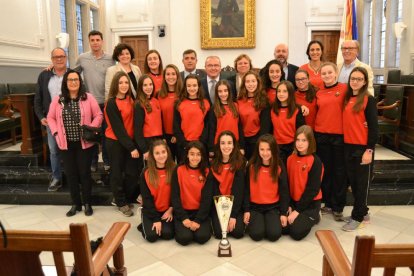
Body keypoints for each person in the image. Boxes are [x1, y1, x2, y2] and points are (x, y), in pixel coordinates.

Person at [47, 70, 103, 217]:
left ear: (80, 82)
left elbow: (99, 114)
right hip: (66, 144)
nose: (73, 82)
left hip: (84, 144)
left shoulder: (88, 98)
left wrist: (91, 126)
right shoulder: (57, 100)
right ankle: (75, 204)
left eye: (76, 80)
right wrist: (56, 133)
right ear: (66, 82)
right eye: (70, 80)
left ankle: (87, 203)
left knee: (84, 174)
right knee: (71, 175)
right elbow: (50, 118)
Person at [342, 67, 378, 231]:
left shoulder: (368, 100)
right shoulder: (347, 97)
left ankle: (357, 217)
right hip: (348, 146)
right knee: (354, 183)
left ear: (364, 82)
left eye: (358, 79)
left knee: (361, 184)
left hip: (363, 148)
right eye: (353, 78)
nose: (355, 81)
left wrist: (369, 150)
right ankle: (363, 212)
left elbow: (373, 127)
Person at [75, 30, 114, 172]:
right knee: (91, 134)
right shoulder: (82, 58)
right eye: (92, 40)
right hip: (90, 103)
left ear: (102, 41)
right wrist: (51, 69)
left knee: (105, 133)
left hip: (107, 102)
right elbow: (73, 74)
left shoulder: (110, 59)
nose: (95, 42)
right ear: (89, 42)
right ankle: (92, 162)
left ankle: (107, 160)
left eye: (98, 40)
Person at [314, 62, 348, 221]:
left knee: (339, 172)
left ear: (335, 73)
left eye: (329, 72)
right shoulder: (318, 92)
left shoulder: (344, 89)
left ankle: (338, 206)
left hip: (339, 136)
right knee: (325, 171)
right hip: (321, 135)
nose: (326, 76)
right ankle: (327, 203)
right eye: (324, 73)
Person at [105, 71, 140, 217]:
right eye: (121, 83)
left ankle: (124, 197)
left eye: (126, 82)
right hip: (115, 142)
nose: (124, 85)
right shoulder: (111, 103)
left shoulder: (130, 99)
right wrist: (131, 147)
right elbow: (118, 129)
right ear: (115, 84)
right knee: (117, 173)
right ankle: (120, 202)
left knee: (132, 173)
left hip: (129, 141)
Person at [243, 134, 289, 241]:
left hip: (272, 207)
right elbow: (246, 190)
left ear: (273, 149)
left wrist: (283, 213)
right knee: (256, 235)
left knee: (274, 235)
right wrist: (246, 210)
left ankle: (268, 222)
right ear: (257, 150)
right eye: (262, 149)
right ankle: (259, 224)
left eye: (268, 149)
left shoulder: (279, 165)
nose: (265, 153)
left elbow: (284, 191)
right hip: (255, 207)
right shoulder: (251, 166)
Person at [34, 47, 68, 192]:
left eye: (62, 56)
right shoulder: (44, 75)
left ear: (66, 57)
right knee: (54, 150)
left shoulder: (73, 74)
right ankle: (57, 178)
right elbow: (38, 98)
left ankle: (73, 176)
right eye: (56, 57)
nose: (59, 59)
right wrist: (41, 117)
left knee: (71, 149)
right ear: (52, 60)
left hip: (70, 118)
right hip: (51, 120)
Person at [284, 125, 323, 240]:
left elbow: (312, 190)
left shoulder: (315, 161)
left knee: (296, 233)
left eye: (304, 140)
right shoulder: (290, 159)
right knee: (283, 228)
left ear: (310, 142)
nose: (300, 143)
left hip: (310, 204)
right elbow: (287, 184)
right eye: (298, 140)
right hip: (294, 202)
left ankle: (316, 216)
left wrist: (297, 211)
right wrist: (290, 205)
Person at [171, 141, 212, 245]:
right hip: (183, 212)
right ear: (187, 155)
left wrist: (198, 220)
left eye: (198, 154)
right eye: (192, 154)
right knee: (184, 238)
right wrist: (184, 218)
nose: (195, 157)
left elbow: (207, 199)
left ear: (202, 156)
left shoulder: (207, 171)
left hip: (200, 213)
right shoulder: (178, 170)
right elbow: (174, 196)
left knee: (202, 237)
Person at [209, 131, 246, 239]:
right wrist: (222, 213)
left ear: (234, 145)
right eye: (223, 143)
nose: (226, 146)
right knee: (219, 234)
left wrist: (233, 216)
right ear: (219, 145)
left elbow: (239, 191)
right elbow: (213, 192)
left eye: (229, 143)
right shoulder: (213, 164)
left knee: (238, 233)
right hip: (219, 205)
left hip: (235, 204)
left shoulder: (240, 162)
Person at [139, 139, 176, 242]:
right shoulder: (146, 172)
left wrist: (170, 210)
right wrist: (155, 219)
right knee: (151, 237)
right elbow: (146, 198)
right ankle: (144, 222)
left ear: (167, 152)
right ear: (152, 155)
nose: (161, 155)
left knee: (168, 234)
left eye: (163, 152)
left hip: (167, 210)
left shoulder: (174, 169)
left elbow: (176, 194)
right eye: (157, 153)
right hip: (151, 210)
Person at [173, 74, 211, 162]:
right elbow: (176, 126)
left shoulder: (205, 103)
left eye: (194, 85)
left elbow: (207, 125)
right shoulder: (179, 103)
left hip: (201, 144)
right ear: (185, 87)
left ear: (199, 86)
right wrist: (184, 143)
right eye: (189, 86)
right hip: (184, 145)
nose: (192, 88)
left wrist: (201, 142)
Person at [237, 71, 270, 160]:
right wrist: (241, 146)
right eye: (247, 82)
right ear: (244, 84)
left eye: (253, 81)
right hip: (242, 140)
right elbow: (238, 124)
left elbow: (265, 127)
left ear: (258, 83)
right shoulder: (239, 101)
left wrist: (261, 144)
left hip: (257, 140)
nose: (250, 84)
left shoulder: (264, 101)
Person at [270, 81, 305, 165]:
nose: (281, 94)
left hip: (293, 147)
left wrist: (296, 148)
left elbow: (301, 131)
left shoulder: (297, 110)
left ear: (290, 93)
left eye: (285, 91)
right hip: (277, 147)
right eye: (279, 91)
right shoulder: (272, 109)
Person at [208, 80, 245, 156]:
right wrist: (211, 148)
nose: (223, 94)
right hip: (219, 144)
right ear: (217, 93)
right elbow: (211, 130)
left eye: (225, 91)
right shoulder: (214, 108)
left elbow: (239, 127)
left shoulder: (236, 106)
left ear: (229, 92)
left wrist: (241, 146)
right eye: (220, 91)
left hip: (235, 143)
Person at [134, 75, 163, 161]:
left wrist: (163, 138)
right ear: (140, 87)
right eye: (145, 85)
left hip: (159, 140)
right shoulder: (139, 104)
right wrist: (145, 150)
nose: (148, 87)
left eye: (150, 84)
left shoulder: (156, 101)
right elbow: (137, 130)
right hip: (147, 141)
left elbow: (160, 122)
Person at [158, 64, 183, 161]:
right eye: (168, 74)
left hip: (181, 135)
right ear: (164, 77)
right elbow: (157, 118)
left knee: (182, 165)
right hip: (165, 137)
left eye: (173, 74)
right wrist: (163, 136)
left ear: (177, 76)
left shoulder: (183, 94)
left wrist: (177, 135)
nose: (171, 77)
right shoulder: (158, 94)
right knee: (169, 166)